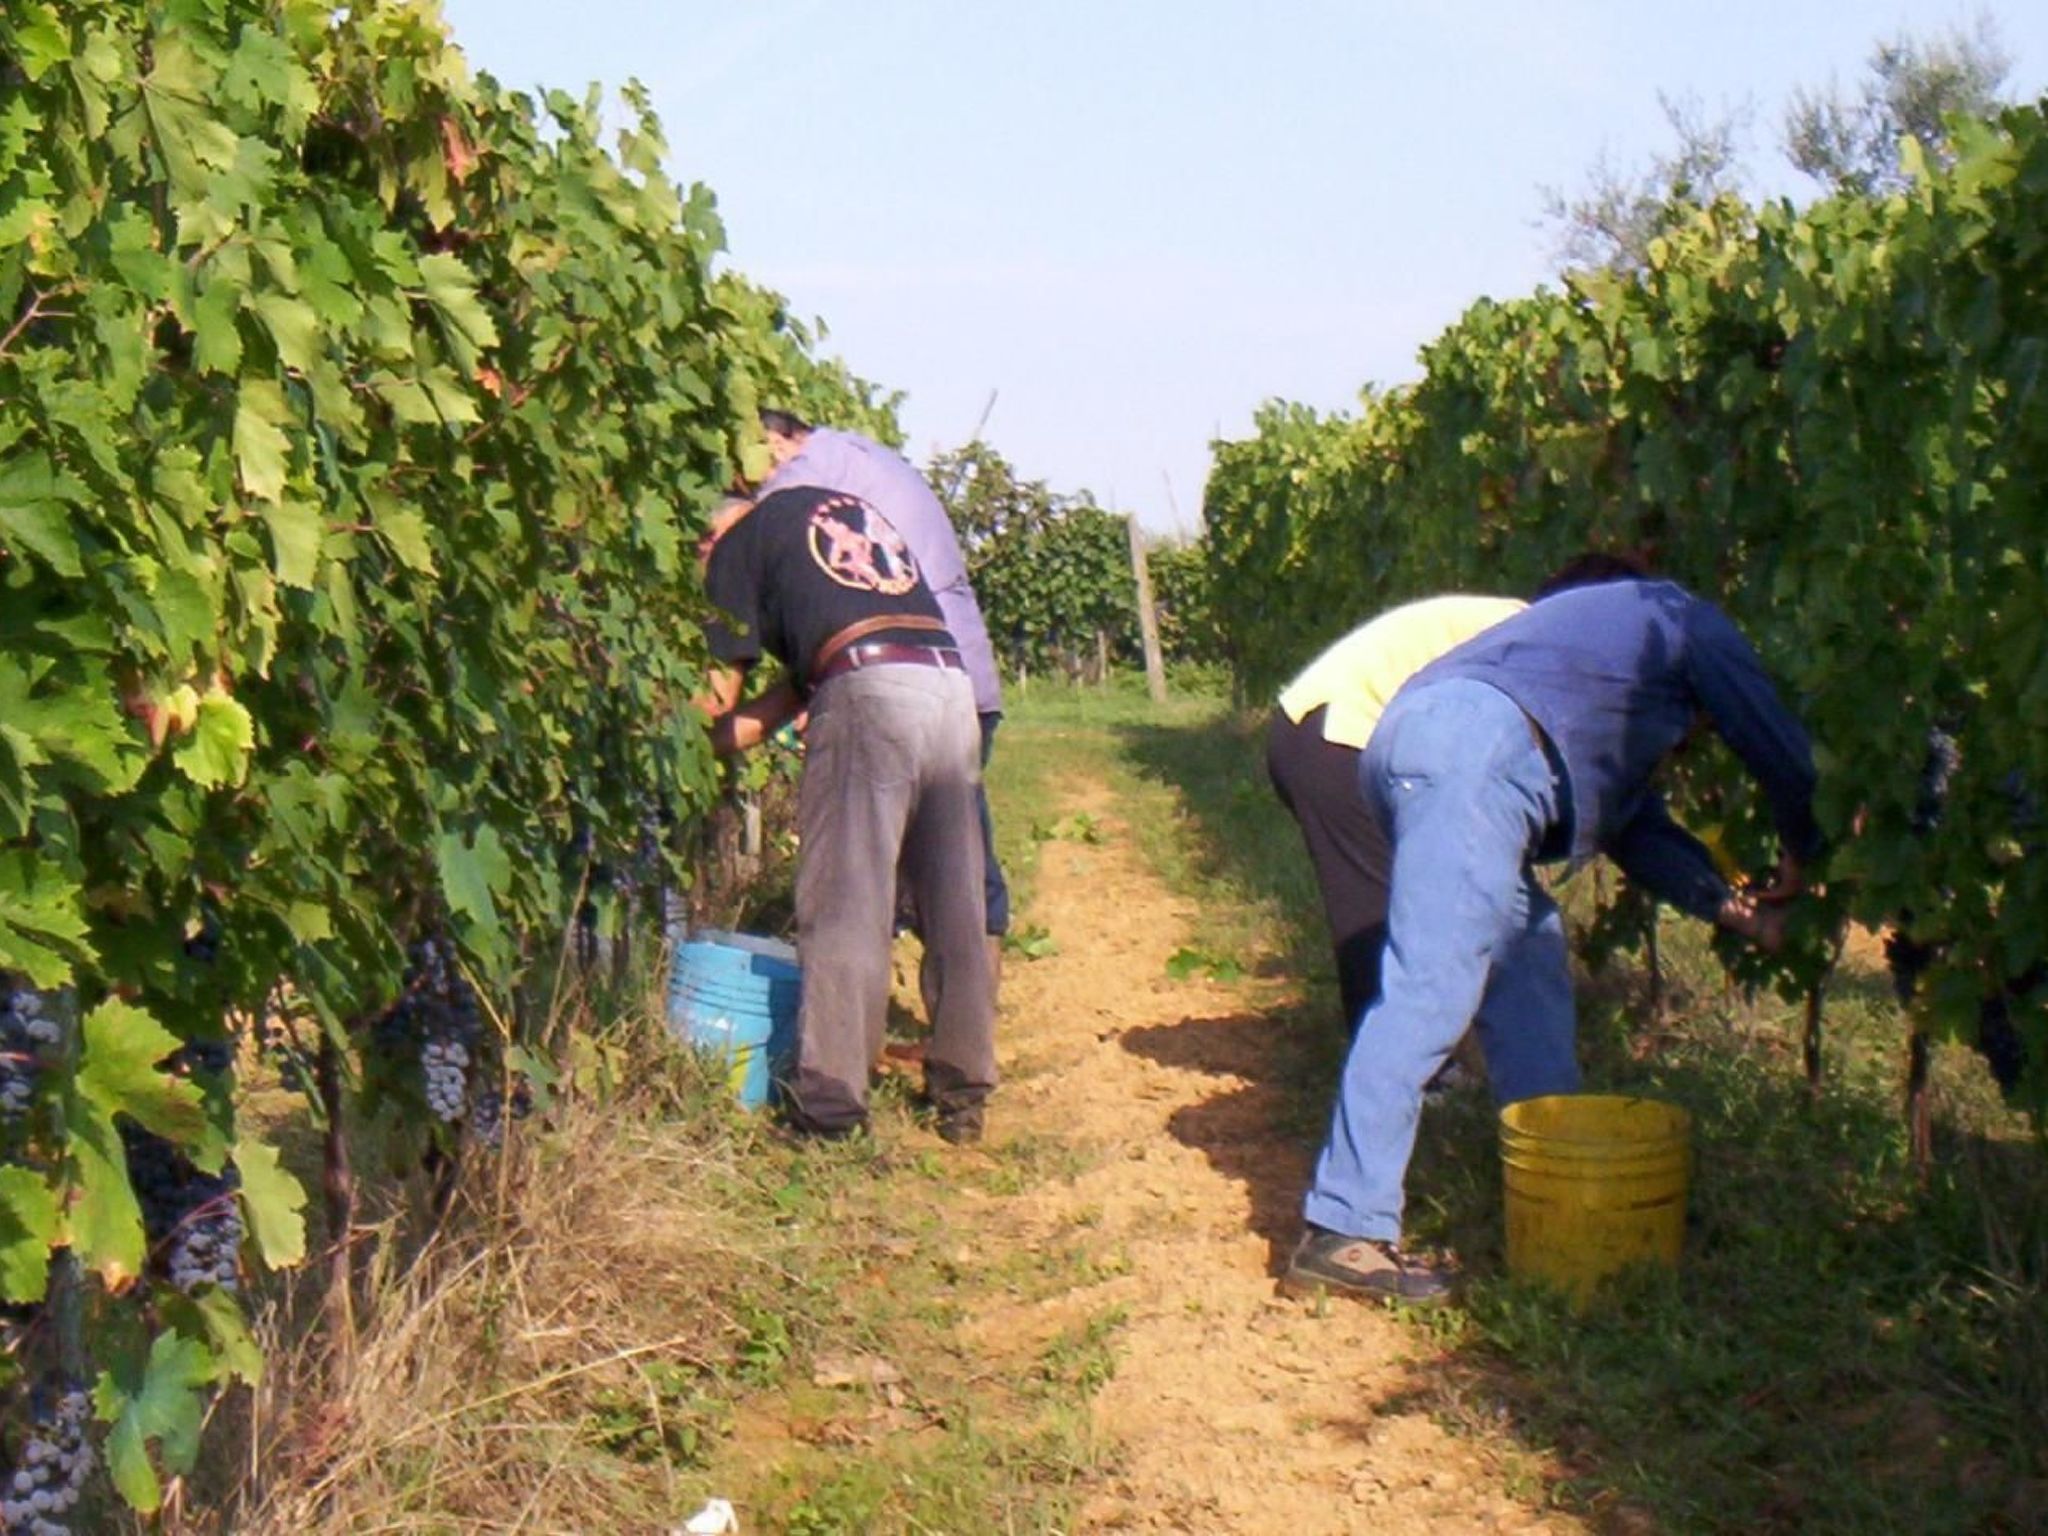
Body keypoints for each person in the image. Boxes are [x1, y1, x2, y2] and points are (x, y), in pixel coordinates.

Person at [1285, 574, 1823, 1303]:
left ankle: (1556, 1179)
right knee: (1433, 986)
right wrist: (1804, 847)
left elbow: (1640, 833)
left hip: (1426, 744)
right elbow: (1778, 746)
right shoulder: (1687, 620)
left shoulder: (1605, 681)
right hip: (1475, 755)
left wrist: (1738, 913)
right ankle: (1343, 1227)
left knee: (1529, 956)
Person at [696, 485, 996, 1142]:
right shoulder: (815, 526)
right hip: (948, 683)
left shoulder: (732, 551)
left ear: (708, 537)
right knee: (954, 901)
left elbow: (719, 703)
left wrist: (672, 747)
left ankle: (827, 1110)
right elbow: (771, 711)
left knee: (845, 900)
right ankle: (964, 1096)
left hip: (868, 689)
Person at [757, 411, 1011, 965]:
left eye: (755, 462)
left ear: (776, 440)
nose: (754, 480)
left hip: (906, 684)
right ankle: (962, 1037)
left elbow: (761, 536)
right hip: (959, 677)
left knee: (883, 876)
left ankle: (882, 1036)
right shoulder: (865, 458)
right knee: (955, 870)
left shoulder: (810, 467)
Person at [1268, 594, 1526, 1037]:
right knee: (1374, 911)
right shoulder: (1534, 643)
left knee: (1406, 901)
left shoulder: (1523, 625)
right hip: (1337, 737)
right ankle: (1402, 1073)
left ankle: (1413, 1060)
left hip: (1324, 728)